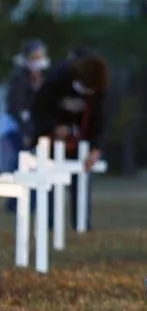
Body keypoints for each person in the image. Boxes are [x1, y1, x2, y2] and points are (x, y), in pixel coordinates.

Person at [30, 50, 108, 230]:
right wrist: (53, 128)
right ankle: (49, 223)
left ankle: (82, 224)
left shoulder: (99, 90)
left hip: (79, 142)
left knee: (81, 180)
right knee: (49, 181)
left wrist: (96, 148)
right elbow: (39, 110)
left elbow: (100, 120)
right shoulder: (56, 80)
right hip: (50, 140)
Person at [3, 39, 49, 212]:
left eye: (40, 56)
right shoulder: (19, 79)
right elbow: (15, 107)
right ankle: (15, 203)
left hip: (36, 128)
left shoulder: (44, 79)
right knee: (18, 164)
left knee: (35, 165)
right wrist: (26, 131)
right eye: (34, 56)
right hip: (17, 129)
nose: (38, 60)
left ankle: (33, 201)